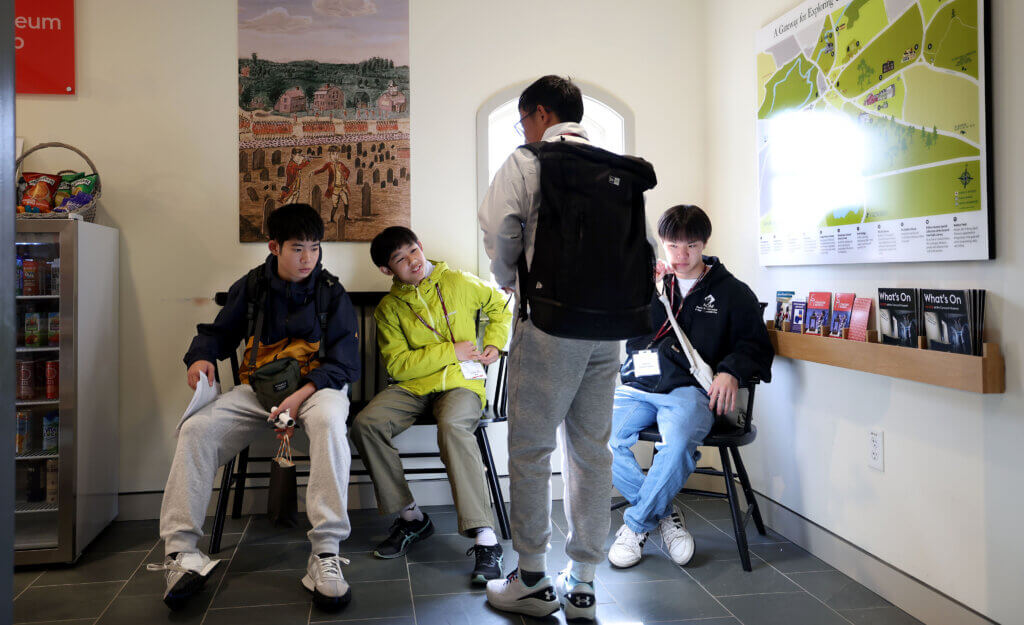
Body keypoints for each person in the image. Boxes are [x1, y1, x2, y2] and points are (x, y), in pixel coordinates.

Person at [154, 203, 360, 612]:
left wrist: (299, 395)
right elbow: (217, 334)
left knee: (331, 424)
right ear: (274, 246)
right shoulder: (251, 286)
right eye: (298, 248)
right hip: (257, 390)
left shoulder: (330, 292)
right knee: (196, 429)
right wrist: (200, 359)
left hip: (316, 389)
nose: (308, 259)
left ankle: (325, 553)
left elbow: (344, 364)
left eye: (315, 249)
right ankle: (181, 555)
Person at [478, 75, 630, 620]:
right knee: (592, 451)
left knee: (531, 449)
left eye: (522, 120)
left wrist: (509, 275)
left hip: (549, 325)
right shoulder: (615, 165)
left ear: (539, 114)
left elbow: (499, 227)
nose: (523, 129)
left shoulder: (529, 160)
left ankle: (533, 579)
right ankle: (584, 583)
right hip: (607, 328)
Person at [607, 204, 774, 569]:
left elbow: (756, 345)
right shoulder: (651, 281)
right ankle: (663, 515)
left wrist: (730, 371)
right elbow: (623, 329)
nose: (681, 257)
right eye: (672, 247)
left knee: (680, 441)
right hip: (640, 385)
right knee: (597, 436)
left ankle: (635, 526)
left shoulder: (732, 292)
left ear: (705, 244)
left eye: (691, 247)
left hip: (689, 390)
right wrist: (640, 285)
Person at [350, 226, 512, 585]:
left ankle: (486, 539)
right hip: (413, 388)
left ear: (421, 246)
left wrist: (496, 344)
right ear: (386, 270)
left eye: (413, 251)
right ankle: (411, 518)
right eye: (399, 259)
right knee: (366, 423)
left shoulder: (458, 281)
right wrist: (449, 351)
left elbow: (500, 306)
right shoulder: (389, 309)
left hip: (461, 384)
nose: (412, 262)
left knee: (453, 426)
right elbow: (397, 366)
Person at [314, 147, 351, 223]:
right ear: (330, 155)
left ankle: (346, 217)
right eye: (334, 154)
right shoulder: (329, 164)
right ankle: (331, 219)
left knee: (346, 202)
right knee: (335, 206)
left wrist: (346, 179)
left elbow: (347, 171)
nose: (335, 156)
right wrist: (314, 172)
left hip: (342, 188)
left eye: (337, 154)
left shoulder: (341, 164)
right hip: (334, 189)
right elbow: (322, 170)